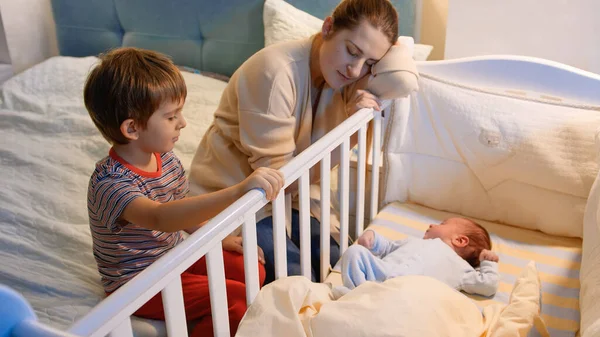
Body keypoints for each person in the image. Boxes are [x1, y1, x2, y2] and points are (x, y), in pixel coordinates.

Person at [188, 0, 419, 284]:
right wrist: (348, 131)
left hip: (295, 197)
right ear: (328, 26)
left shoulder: (345, 76)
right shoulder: (274, 73)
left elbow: (403, 79)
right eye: (352, 51)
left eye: (371, 63)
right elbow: (280, 181)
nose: (356, 71)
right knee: (299, 278)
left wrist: (390, 51)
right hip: (243, 197)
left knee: (342, 265)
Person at [84, 47, 284, 337]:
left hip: (173, 256)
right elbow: (161, 217)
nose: (182, 122)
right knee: (234, 297)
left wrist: (219, 238)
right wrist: (238, 191)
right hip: (138, 284)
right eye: (171, 116)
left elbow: (181, 209)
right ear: (132, 128)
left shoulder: (164, 157)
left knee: (252, 269)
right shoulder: (110, 183)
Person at [339, 217, 500, 297]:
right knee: (354, 252)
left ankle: (362, 298)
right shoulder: (413, 242)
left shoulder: (461, 268)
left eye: (442, 224)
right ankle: (356, 294)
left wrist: (488, 262)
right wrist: (372, 238)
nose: (431, 225)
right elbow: (389, 247)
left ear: (460, 240)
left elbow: (487, 285)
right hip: (381, 274)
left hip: (410, 292)